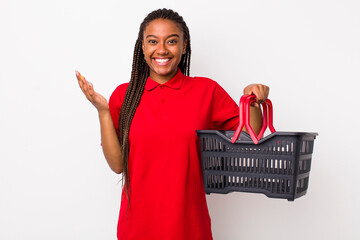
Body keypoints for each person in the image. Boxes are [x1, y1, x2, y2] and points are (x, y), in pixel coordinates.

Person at [76, 8, 269, 240]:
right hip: (137, 230)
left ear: (184, 46)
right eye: (153, 41)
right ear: (143, 47)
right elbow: (118, 165)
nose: (162, 49)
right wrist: (104, 112)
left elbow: (252, 132)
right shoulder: (124, 96)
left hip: (190, 229)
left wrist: (253, 102)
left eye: (171, 41)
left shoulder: (206, 91)